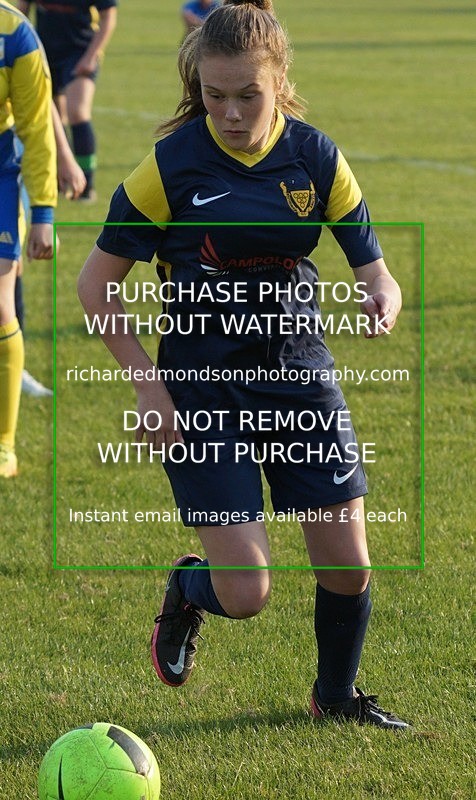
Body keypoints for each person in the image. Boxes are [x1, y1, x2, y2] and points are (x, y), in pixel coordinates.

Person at [78, 0, 410, 729]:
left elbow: (374, 266)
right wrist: (149, 387)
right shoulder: (170, 166)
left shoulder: (316, 158)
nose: (229, 113)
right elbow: (95, 285)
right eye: (214, 95)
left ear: (280, 81)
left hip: (298, 376)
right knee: (246, 592)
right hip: (201, 391)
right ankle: (190, 590)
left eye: (247, 96)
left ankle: (336, 699)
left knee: (348, 564)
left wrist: (378, 294)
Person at [0, 0, 57, 478]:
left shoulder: (15, 35)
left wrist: (42, 210)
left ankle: (4, 444)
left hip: (0, 180)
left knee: (0, 305)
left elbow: (37, 127)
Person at [17, 0, 117, 201]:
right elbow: (20, 13)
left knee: (78, 112)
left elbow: (108, 17)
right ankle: (62, 178)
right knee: (53, 117)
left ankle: (86, 186)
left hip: (80, 51)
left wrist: (91, 56)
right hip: (43, 52)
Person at [18, 101, 86, 397]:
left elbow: (39, 97)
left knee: (10, 267)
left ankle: (12, 368)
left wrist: (64, 154)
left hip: (10, 160)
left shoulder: (20, 52)